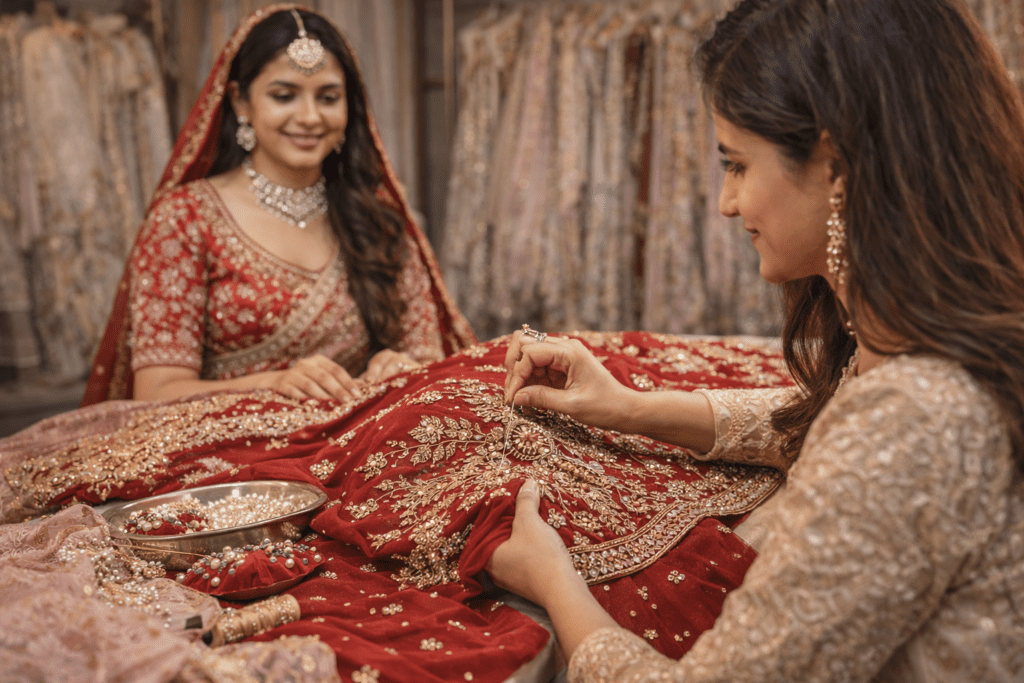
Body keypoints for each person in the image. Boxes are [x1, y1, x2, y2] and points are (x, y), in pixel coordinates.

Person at [488, 0, 1024, 680]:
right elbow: (832, 414)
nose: (726, 202)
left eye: (738, 165)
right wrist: (625, 405)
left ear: (835, 166)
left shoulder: (913, 421)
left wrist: (553, 580)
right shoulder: (941, 333)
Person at [81, 4, 475, 406]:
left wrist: (399, 366)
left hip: (356, 436)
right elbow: (157, 393)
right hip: (224, 447)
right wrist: (273, 385)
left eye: (328, 97)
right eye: (284, 95)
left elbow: (428, 357)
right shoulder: (185, 219)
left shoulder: (376, 217)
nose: (309, 116)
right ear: (240, 101)